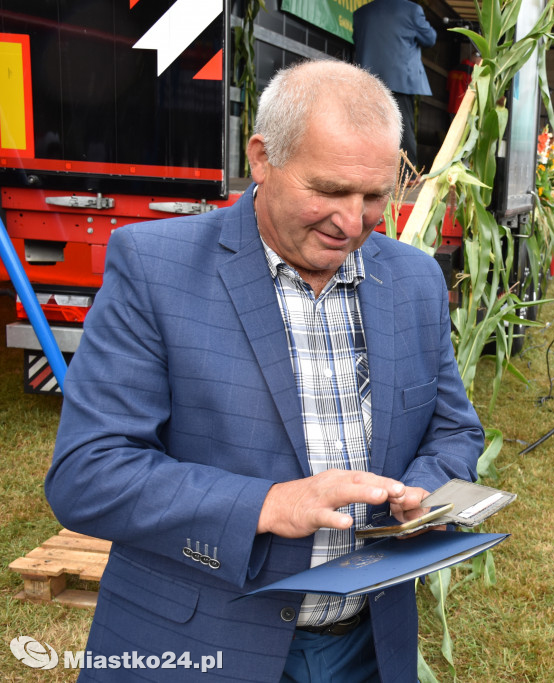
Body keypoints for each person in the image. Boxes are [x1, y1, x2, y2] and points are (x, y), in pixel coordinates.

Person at [45, 59, 483, 683]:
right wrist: (268, 505)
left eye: (375, 196)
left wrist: (422, 494)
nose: (352, 222)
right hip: (197, 645)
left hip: (368, 649)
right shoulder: (156, 269)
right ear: (261, 157)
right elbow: (89, 474)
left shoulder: (411, 279)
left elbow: (453, 431)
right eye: (329, 191)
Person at [354, 0, 436, 170]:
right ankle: (409, 174)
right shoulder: (412, 10)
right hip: (399, 79)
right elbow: (430, 38)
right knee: (402, 126)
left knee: (369, 127)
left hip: (367, 80)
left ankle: (366, 169)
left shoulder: (362, 12)